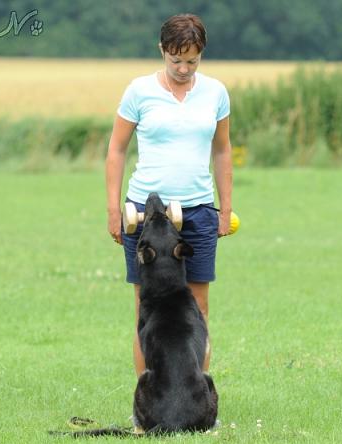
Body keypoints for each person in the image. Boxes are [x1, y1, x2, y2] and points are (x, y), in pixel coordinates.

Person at [105, 13, 232, 378]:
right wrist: (113, 210)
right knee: (146, 312)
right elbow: (116, 149)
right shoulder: (139, 91)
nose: (183, 69)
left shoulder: (216, 93)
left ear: (201, 54)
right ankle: (147, 398)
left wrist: (225, 208)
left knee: (198, 309)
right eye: (176, 60)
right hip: (145, 215)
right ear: (162, 50)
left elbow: (222, 150)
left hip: (198, 212)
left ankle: (196, 395)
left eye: (192, 60)